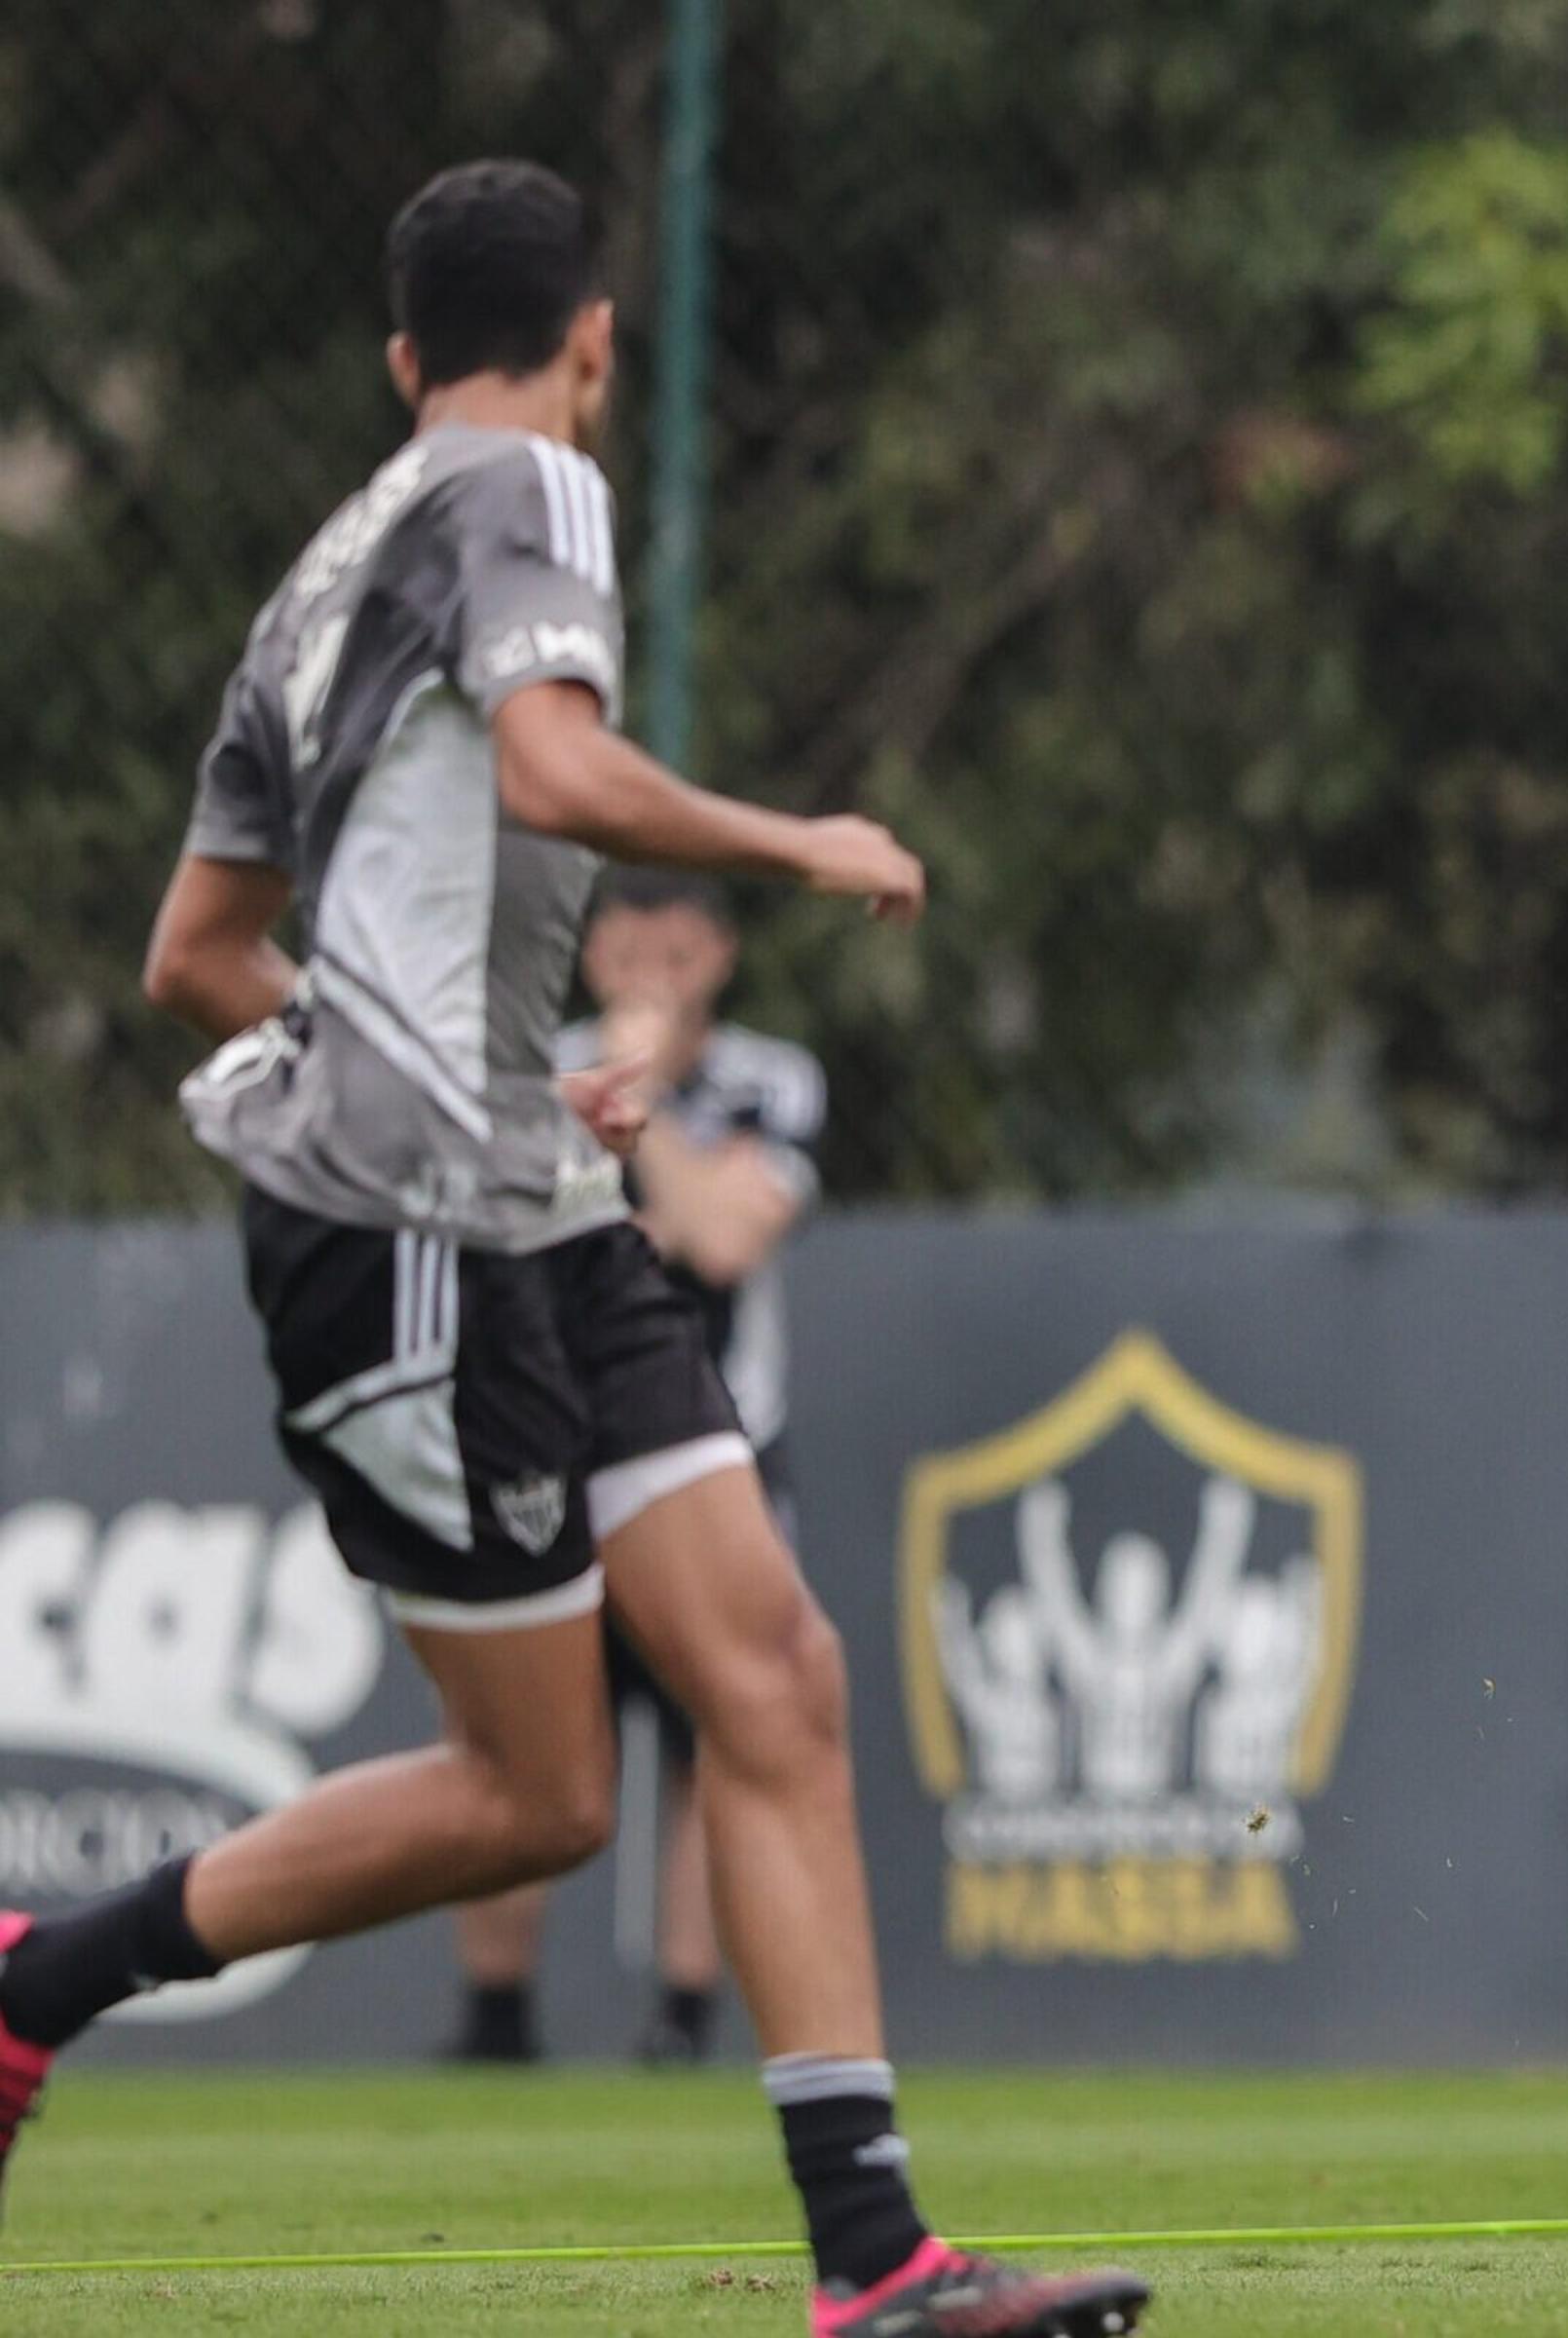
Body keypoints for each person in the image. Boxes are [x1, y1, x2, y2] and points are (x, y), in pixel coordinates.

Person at [4, 161, 1147, 2336]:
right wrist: (789, 839)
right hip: (402, 1236)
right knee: (534, 1795)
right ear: (593, 345)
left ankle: (877, 2264)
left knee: (774, 1681)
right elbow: (552, 769)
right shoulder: (526, 483)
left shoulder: (321, 573)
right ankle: (39, 1981)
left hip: (524, 1193)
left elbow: (196, 954)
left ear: (398, 353)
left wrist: (496, 1081)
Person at [445, 873, 827, 2067]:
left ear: (718, 954)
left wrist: (639, 1097)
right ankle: (495, 2019)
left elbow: (721, 1235)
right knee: (525, 1736)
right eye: (627, 947)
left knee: (718, 1730)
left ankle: (685, 2013)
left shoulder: (772, 1080)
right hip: (545, 1440)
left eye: (678, 950)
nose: (650, 974)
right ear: (589, 950)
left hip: (718, 1445)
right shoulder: (527, 1067)